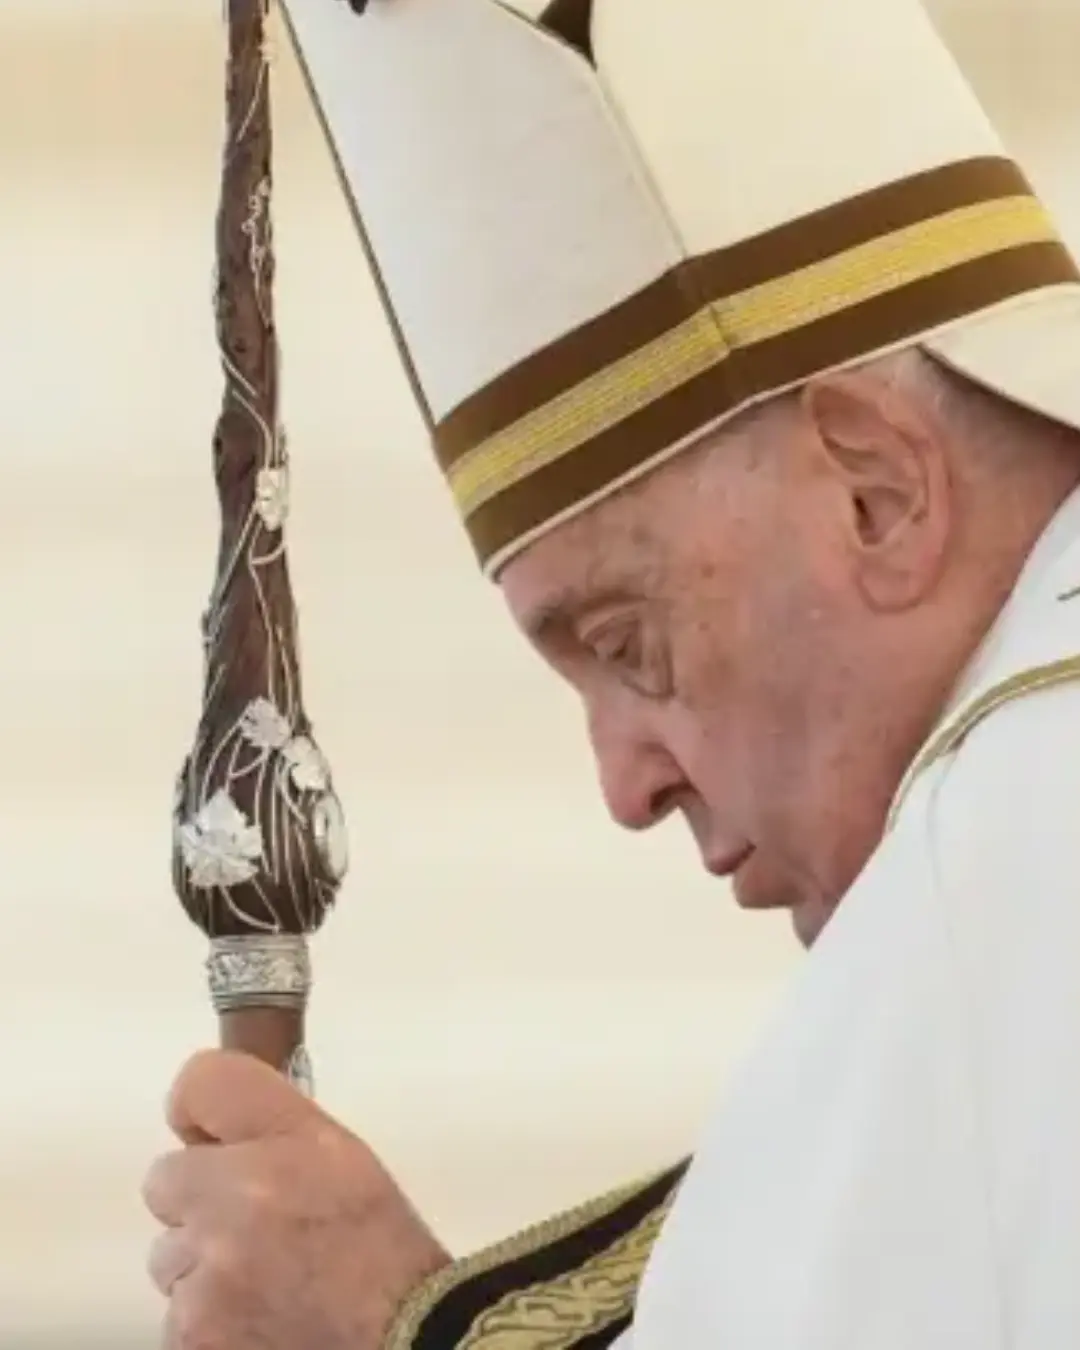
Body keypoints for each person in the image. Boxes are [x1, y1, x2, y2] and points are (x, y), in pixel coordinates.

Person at [142, 0, 1080, 1346]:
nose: (623, 788)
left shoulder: (1015, 847)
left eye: (629, 644)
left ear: (875, 489)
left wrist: (391, 1323)